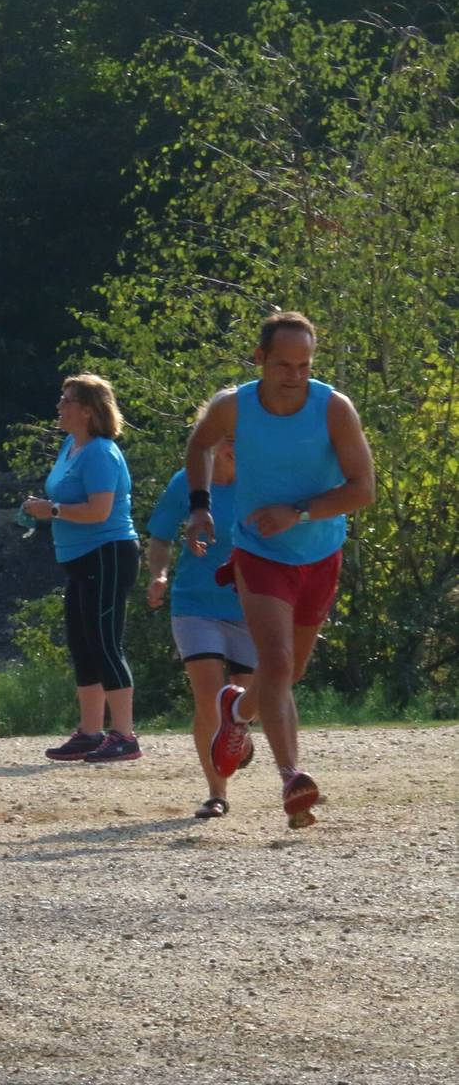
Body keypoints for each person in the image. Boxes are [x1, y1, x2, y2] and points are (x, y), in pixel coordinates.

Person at [182, 312, 374, 828]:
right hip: (259, 552)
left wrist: (299, 512)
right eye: (284, 364)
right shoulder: (234, 407)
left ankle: (238, 714)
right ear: (260, 358)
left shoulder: (334, 409)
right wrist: (200, 504)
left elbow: (363, 490)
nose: (295, 375)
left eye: (305, 365)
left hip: (319, 551)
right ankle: (292, 777)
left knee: (289, 672)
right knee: (278, 660)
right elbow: (199, 444)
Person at [25, 374, 144, 764]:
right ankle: (90, 731)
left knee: (106, 642)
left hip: (108, 554)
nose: (60, 406)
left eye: (68, 400)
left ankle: (124, 735)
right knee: (83, 643)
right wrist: (43, 508)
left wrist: (53, 510)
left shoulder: (100, 452)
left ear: (89, 410)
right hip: (80, 560)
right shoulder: (70, 447)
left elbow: (99, 510)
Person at [145, 401, 254, 818]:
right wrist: (160, 575)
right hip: (194, 603)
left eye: (242, 437)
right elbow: (159, 538)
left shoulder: (261, 486)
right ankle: (216, 792)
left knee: (245, 699)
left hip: (249, 606)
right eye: (227, 436)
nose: (234, 445)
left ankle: (238, 734)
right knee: (209, 697)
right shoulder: (188, 485)